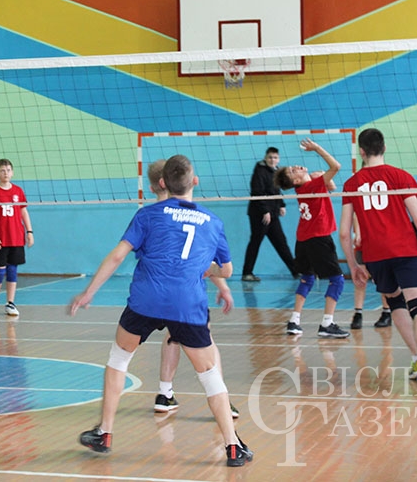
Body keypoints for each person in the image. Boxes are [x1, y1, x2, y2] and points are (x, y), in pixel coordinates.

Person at [69, 154, 253, 467]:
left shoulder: (147, 215)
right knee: (210, 376)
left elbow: (117, 256)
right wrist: (205, 270)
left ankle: (105, 432)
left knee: (118, 359)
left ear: (164, 183)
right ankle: (232, 447)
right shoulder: (213, 222)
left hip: (146, 300)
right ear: (195, 182)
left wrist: (89, 292)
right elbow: (227, 270)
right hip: (187, 305)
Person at [339, 128, 417, 395]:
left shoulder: (351, 184)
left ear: (361, 151)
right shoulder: (400, 176)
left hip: (374, 255)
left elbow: (344, 232)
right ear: (384, 148)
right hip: (403, 250)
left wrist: (353, 265)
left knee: (395, 304)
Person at [143, 159, 239, 418]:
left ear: (155, 186)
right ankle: (221, 399)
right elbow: (200, 260)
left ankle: (164, 392)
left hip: (151, 295)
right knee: (206, 343)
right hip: (185, 296)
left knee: (171, 336)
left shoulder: (150, 216)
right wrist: (223, 284)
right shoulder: (188, 215)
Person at [274, 139, 349, 338]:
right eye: (293, 171)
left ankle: (294, 321)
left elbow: (332, 186)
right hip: (319, 238)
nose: (296, 167)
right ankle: (327, 324)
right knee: (337, 280)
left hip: (303, 239)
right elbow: (336, 166)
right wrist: (316, 149)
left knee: (307, 278)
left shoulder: (306, 186)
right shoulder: (312, 185)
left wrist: (321, 177)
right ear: (295, 181)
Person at [0, 158, 33, 317]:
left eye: (8, 170)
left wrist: (29, 232)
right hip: (0, 239)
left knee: (12, 270)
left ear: (12, 172)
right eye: (2, 171)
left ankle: (10, 303)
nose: (6, 173)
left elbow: (23, 212)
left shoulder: (18, 191)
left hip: (16, 238)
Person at [242, 147, 297, 281]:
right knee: (255, 242)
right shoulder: (259, 171)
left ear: (278, 159)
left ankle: (296, 271)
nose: (272, 160)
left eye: (275, 157)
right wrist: (265, 211)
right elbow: (257, 192)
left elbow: (276, 191)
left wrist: (282, 205)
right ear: (265, 158)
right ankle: (247, 273)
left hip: (272, 214)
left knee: (281, 243)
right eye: (270, 157)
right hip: (259, 215)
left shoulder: (276, 171)